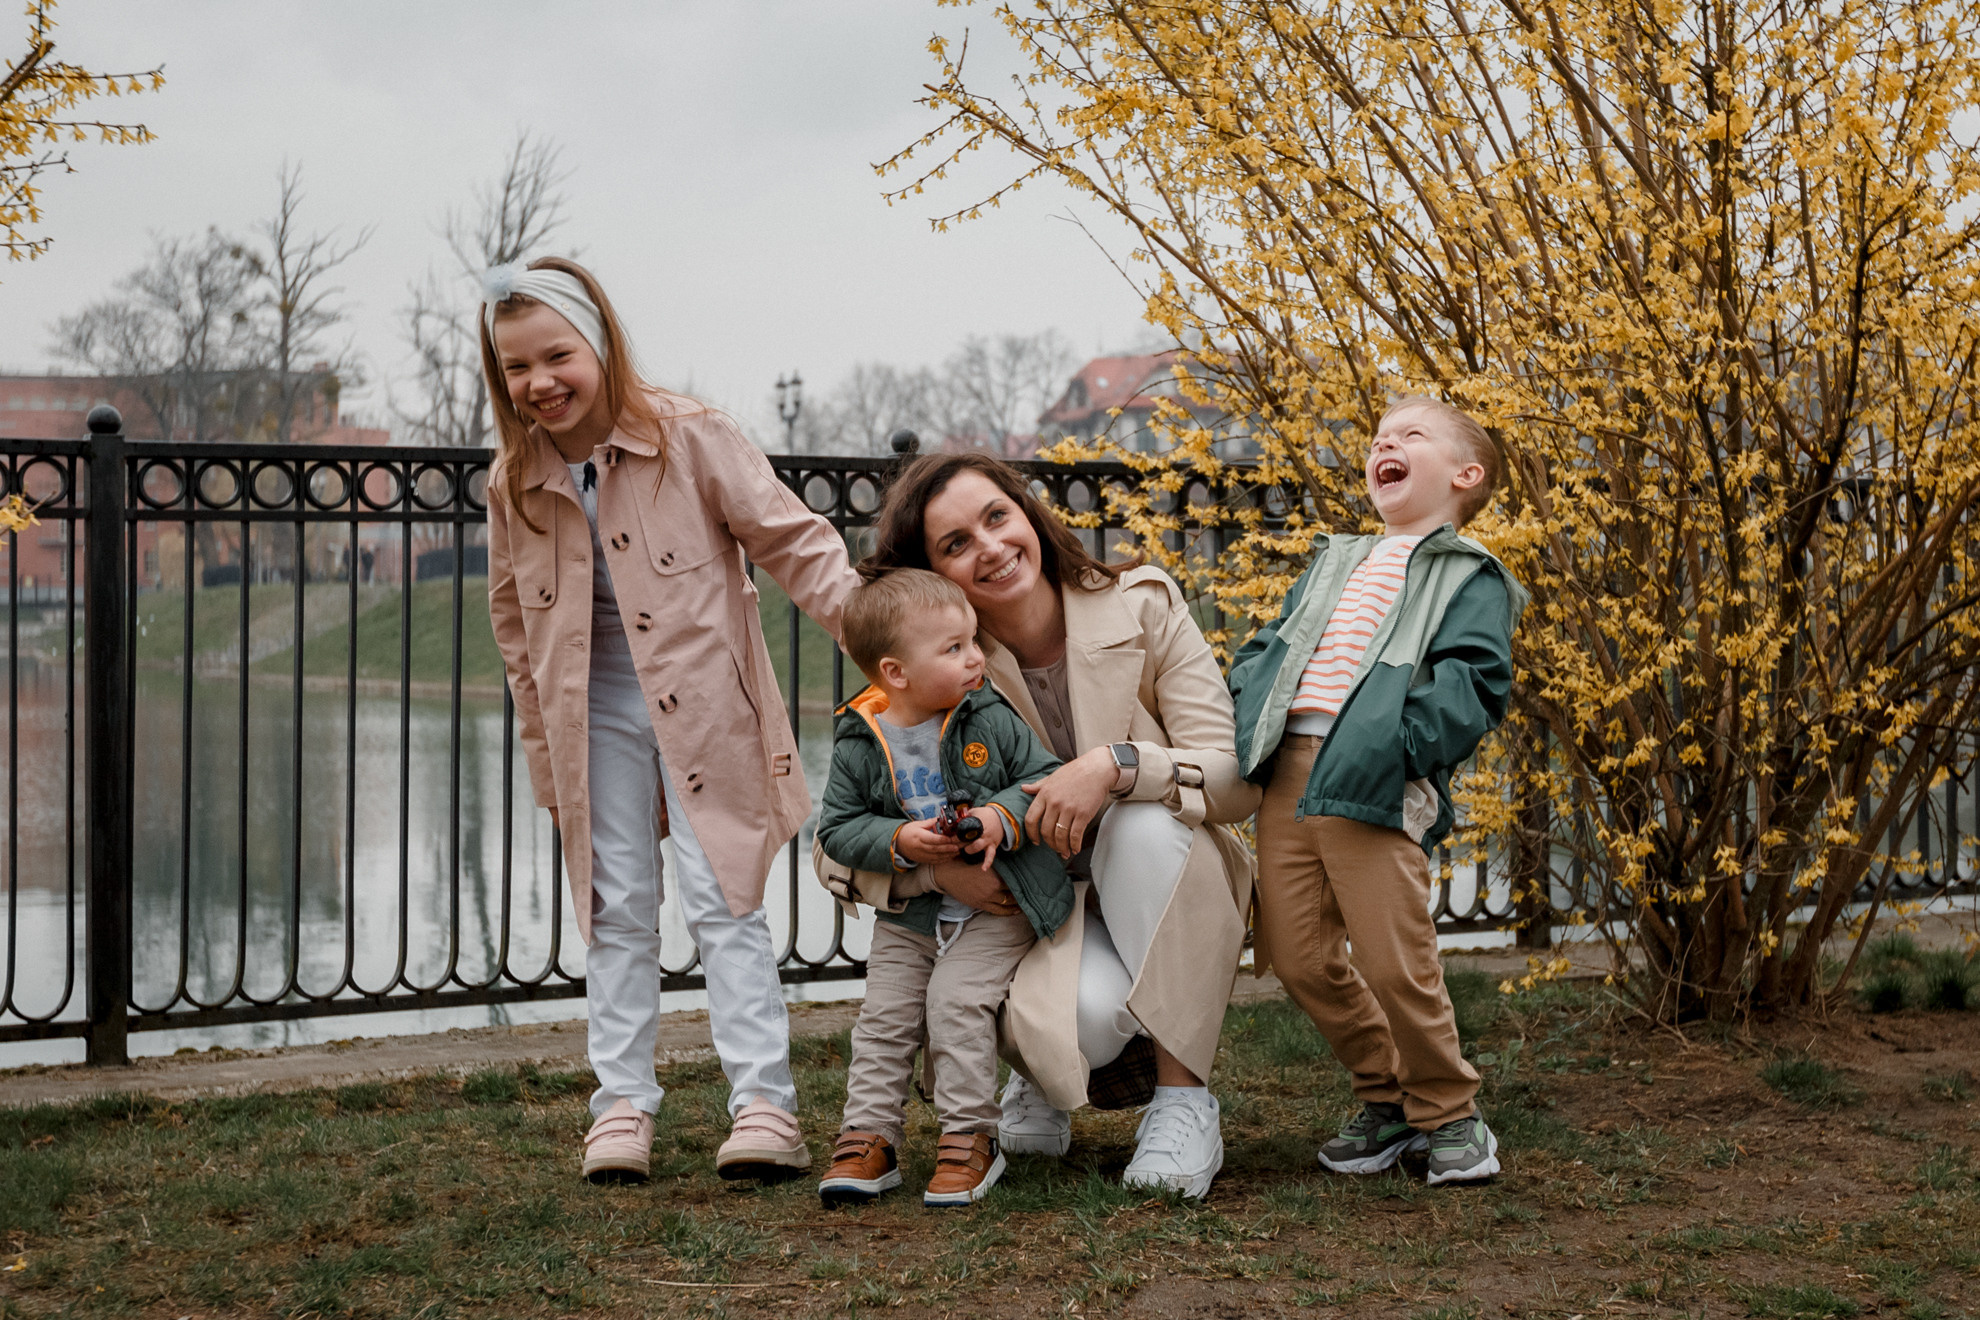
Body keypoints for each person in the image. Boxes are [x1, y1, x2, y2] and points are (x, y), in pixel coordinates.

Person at [482, 256, 860, 1185]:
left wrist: (883, 633)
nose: (540, 382)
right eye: (516, 368)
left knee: (725, 899)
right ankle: (619, 1108)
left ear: (601, 342)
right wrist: (547, 770)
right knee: (614, 912)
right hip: (594, 715)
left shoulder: (693, 438)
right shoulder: (516, 482)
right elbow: (515, 637)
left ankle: (764, 1105)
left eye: (556, 355)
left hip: (707, 711)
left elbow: (793, 543)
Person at [814, 452, 1259, 1199]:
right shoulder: (934, 668)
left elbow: (1235, 776)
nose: (987, 547)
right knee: (1083, 1018)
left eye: (996, 518)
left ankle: (1185, 1102)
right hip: (1037, 907)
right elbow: (843, 838)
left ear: (1027, 515)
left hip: (1162, 872)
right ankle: (1043, 1081)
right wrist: (928, 870)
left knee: (1137, 826)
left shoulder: (1143, 606)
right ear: (930, 574)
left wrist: (1115, 767)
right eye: (955, 544)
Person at [1226, 396, 1529, 1186]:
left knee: (1397, 962)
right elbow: (1276, 639)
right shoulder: (1339, 559)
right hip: (1287, 770)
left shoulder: (1471, 574)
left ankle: (1450, 1113)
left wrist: (1398, 748)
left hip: (1375, 775)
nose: (1384, 444)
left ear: (1467, 475)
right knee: (1296, 958)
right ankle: (1386, 1097)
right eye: (1378, 438)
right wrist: (1249, 691)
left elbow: (1475, 680)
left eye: (1410, 436)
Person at [813, 568, 1072, 1208]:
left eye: (972, 641)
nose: (975, 657)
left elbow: (1044, 777)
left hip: (995, 905)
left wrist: (996, 819)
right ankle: (869, 1135)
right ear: (896, 673)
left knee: (955, 1005)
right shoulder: (860, 739)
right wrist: (899, 844)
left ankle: (968, 1139)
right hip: (912, 914)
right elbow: (838, 828)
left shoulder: (988, 715)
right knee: (884, 1019)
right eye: (953, 649)